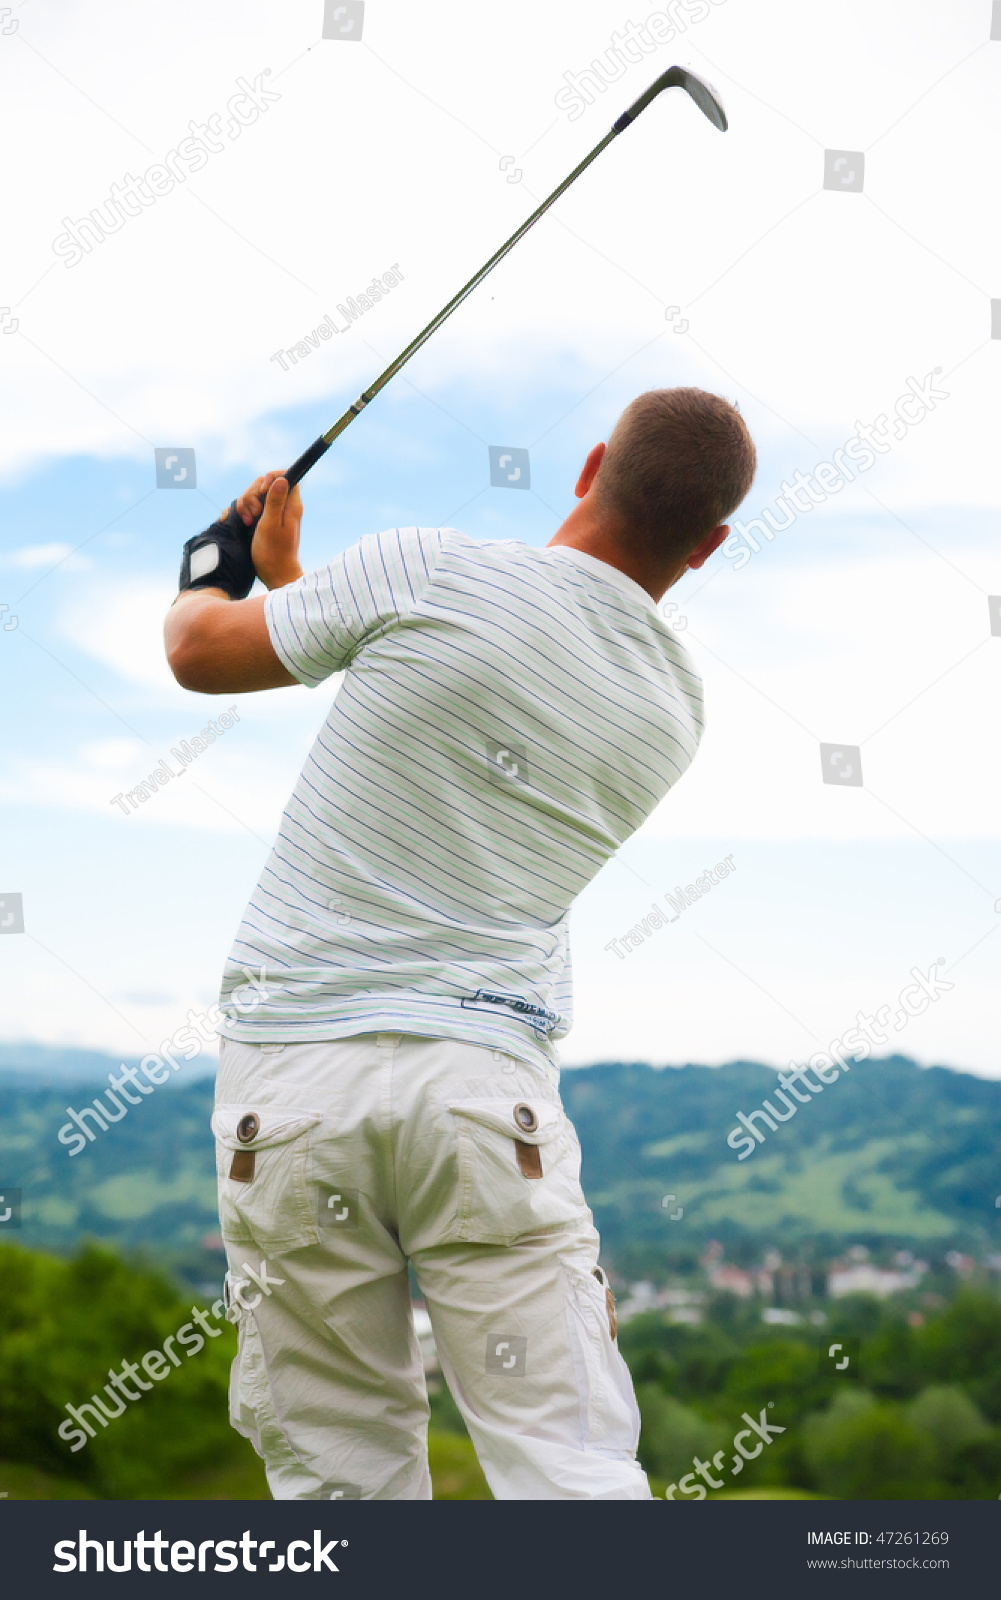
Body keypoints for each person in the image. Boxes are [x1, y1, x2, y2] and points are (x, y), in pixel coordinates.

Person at [163, 385, 756, 1500]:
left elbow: (202, 653)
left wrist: (218, 560)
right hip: (487, 1100)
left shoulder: (425, 567)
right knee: (568, 1469)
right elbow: (446, 691)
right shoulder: (669, 706)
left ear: (587, 465)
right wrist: (303, 582)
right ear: (711, 543)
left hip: (291, 1083)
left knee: (341, 1484)